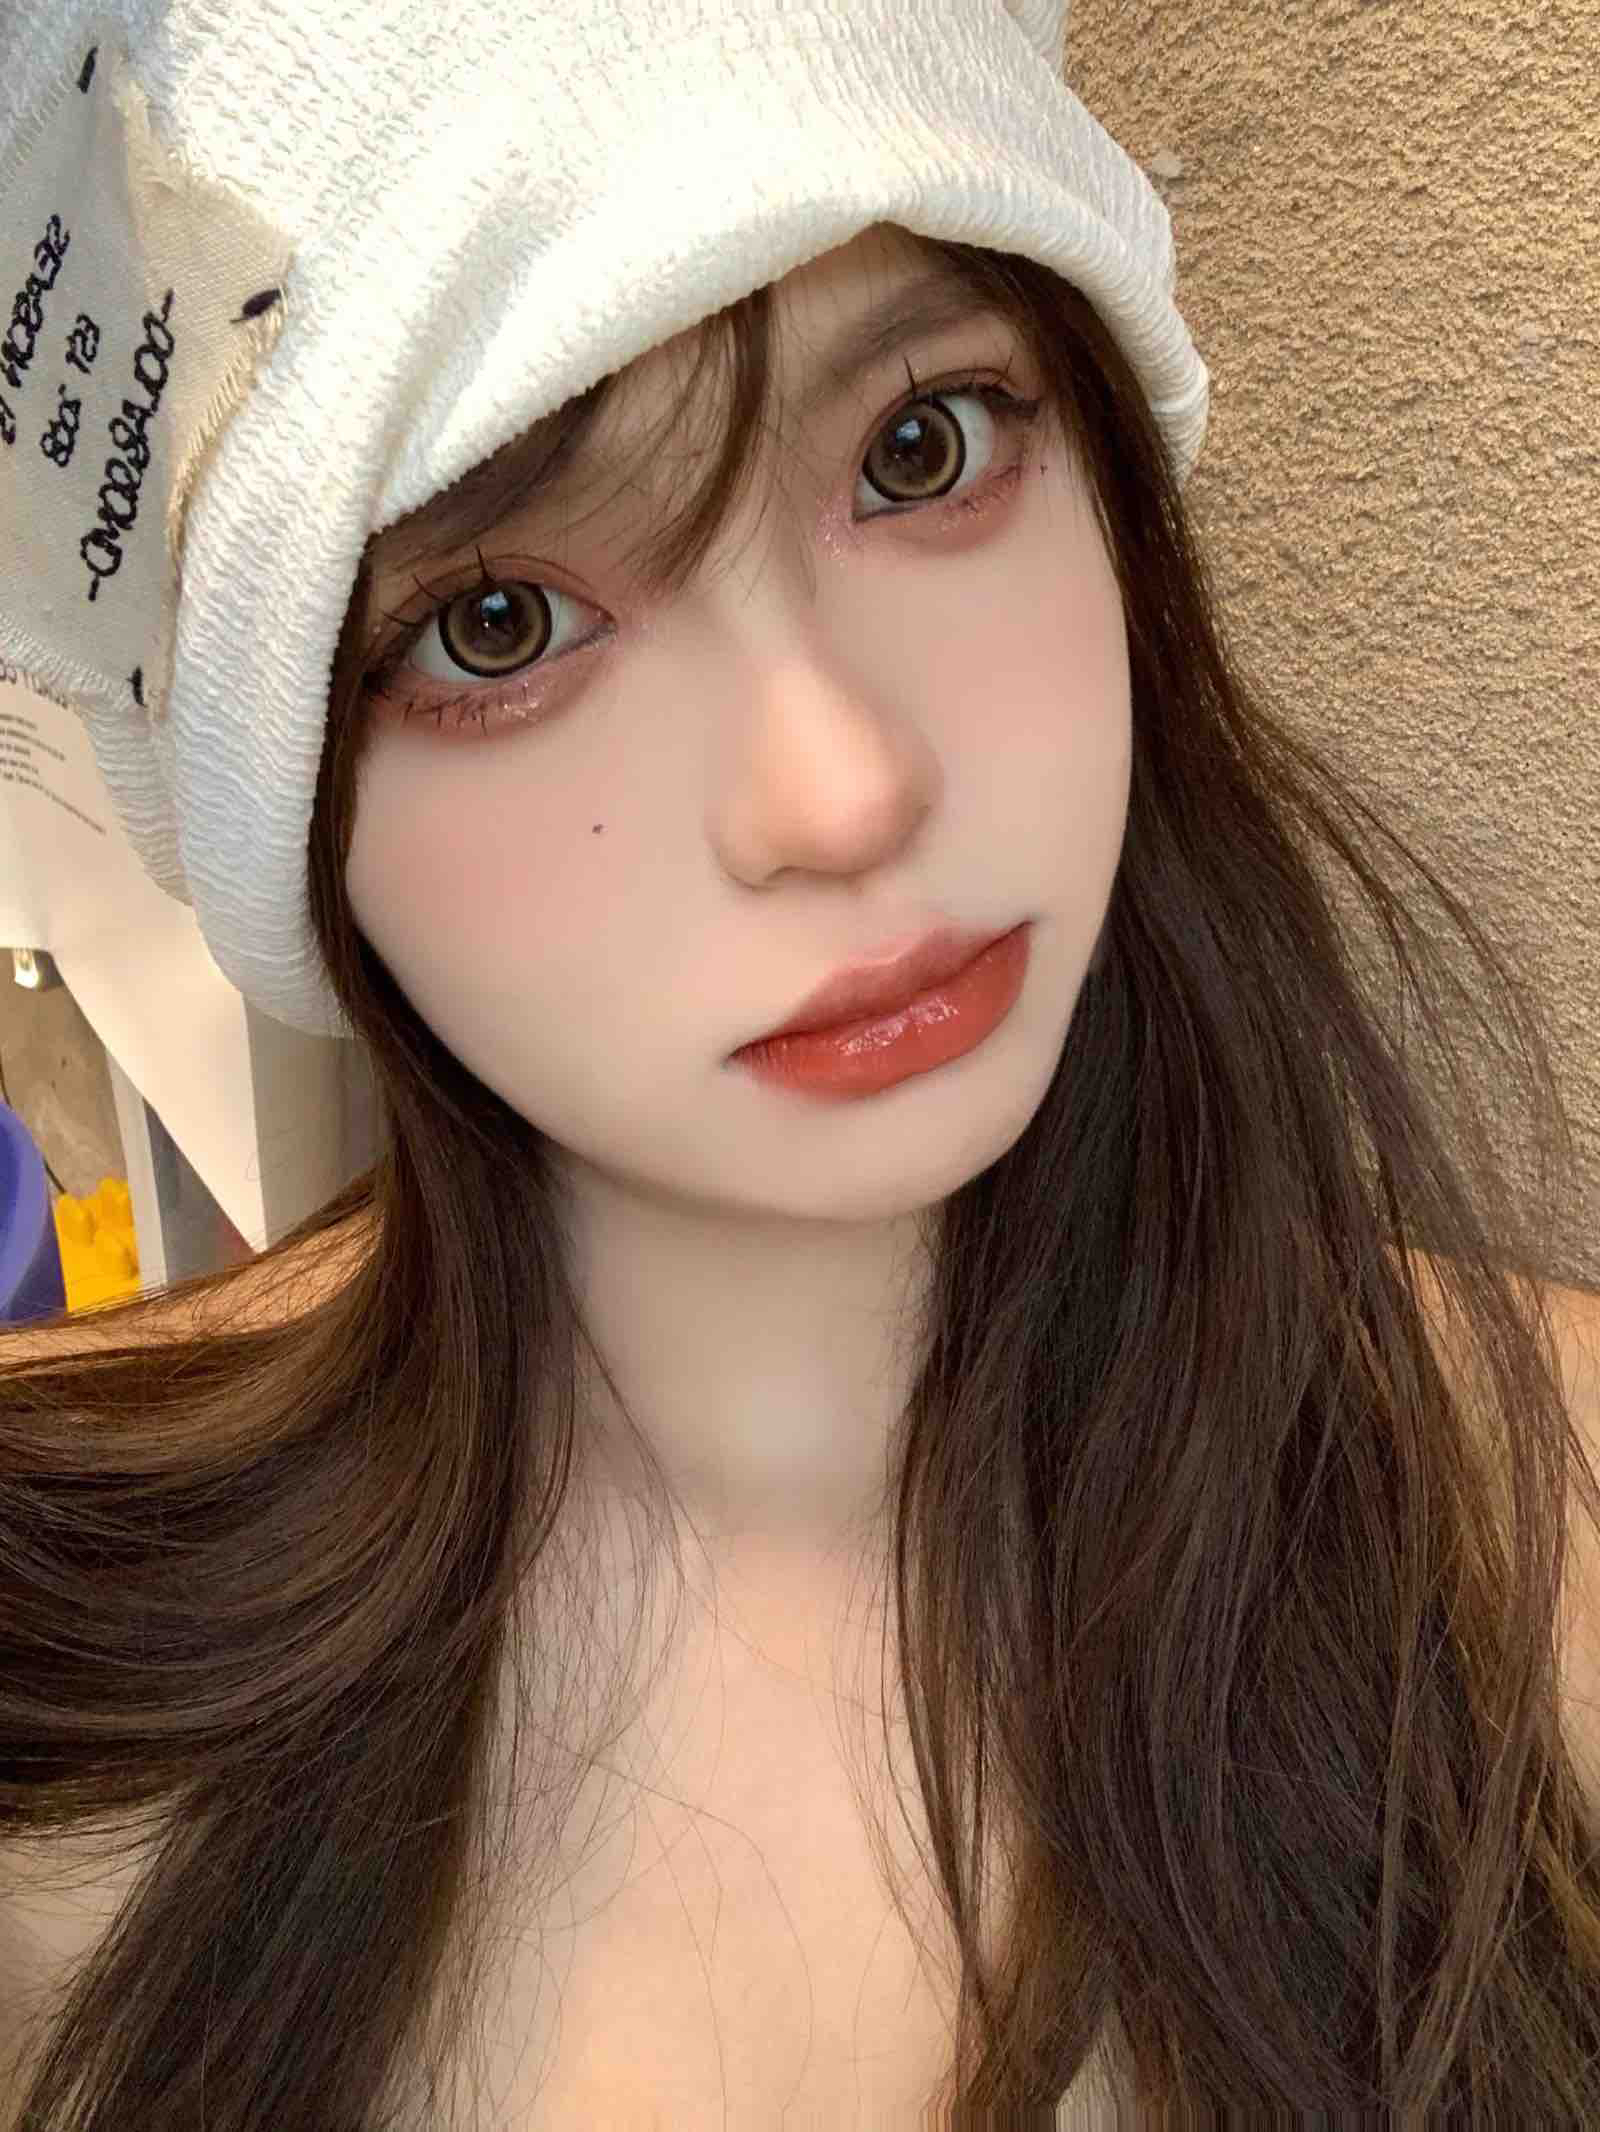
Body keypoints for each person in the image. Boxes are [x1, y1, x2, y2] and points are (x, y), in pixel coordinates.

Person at [2, 2, 1599, 2126]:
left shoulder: (1551, 1540)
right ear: (273, 801)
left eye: (922, 445)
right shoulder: (63, 1731)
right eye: (496, 624)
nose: (842, 792)